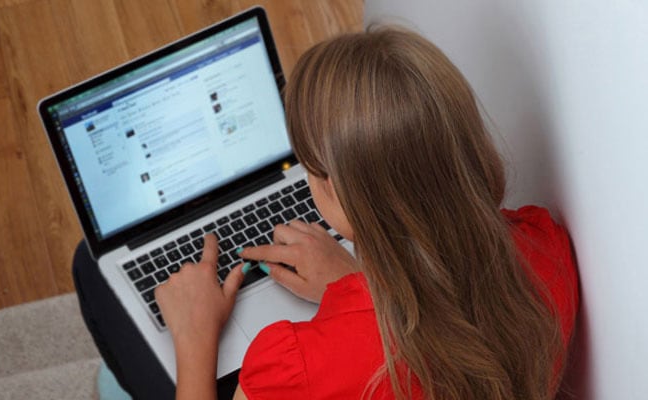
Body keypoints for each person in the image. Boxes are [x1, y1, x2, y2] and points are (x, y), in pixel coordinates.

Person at [75, 26, 579, 400]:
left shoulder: (295, 366)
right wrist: (353, 286)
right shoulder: (545, 247)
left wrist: (194, 339)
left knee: (88, 263)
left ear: (330, 189)